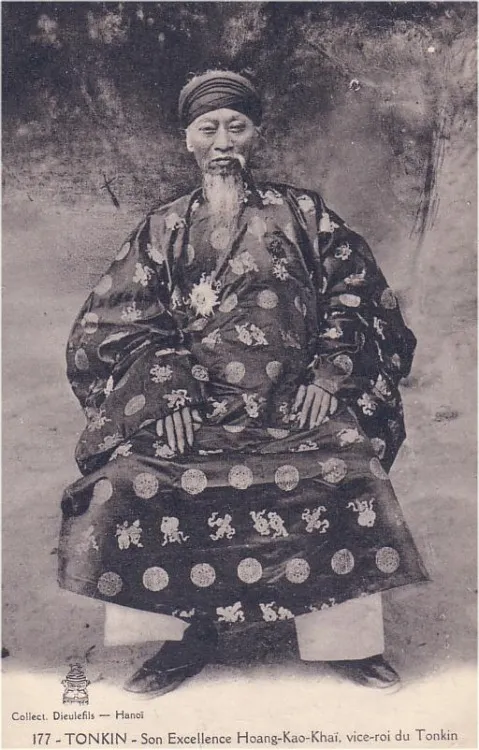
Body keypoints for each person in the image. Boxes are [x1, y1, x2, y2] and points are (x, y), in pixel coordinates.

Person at [58, 69, 428, 698]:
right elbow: (113, 325)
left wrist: (330, 372)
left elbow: (358, 297)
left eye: (237, 126)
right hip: (198, 411)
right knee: (129, 481)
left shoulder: (304, 213)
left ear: (256, 134)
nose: (223, 142)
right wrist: (166, 392)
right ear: (188, 139)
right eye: (209, 129)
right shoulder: (162, 228)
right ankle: (183, 640)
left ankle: (348, 645)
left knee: (351, 470)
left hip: (296, 406)